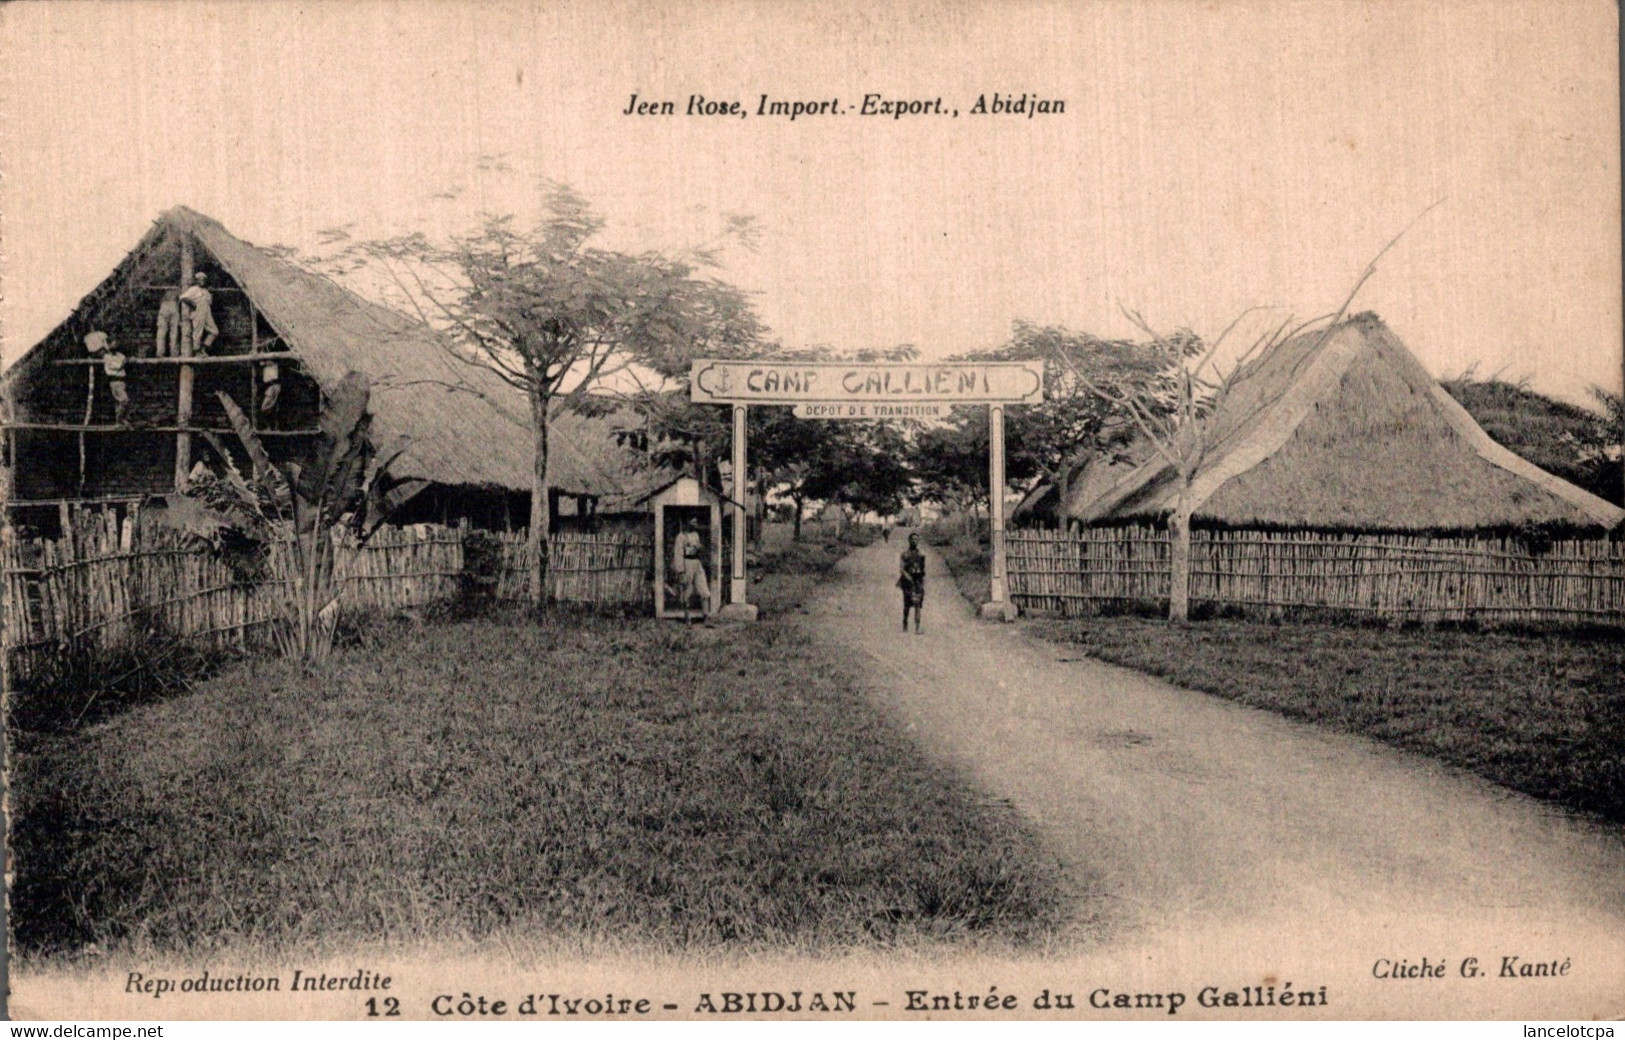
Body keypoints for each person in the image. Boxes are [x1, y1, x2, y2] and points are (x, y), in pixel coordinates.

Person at [672, 517, 709, 623]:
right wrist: (681, 571)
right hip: (686, 563)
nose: (695, 524)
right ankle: (687, 618)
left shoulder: (695, 535)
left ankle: (706, 617)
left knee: (703, 588)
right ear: (687, 523)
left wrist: (699, 548)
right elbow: (678, 555)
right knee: (687, 590)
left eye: (696, 522)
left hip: (697, 562)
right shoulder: (681, 537)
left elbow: (698, 549)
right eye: (693, 522)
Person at [179, 272, 218, 353]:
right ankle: (197, 352)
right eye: (200, 280)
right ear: (197, 281)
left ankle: (203, 348)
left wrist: (211, 293)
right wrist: (193, 305)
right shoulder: (194, 289)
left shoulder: (206, 291)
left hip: (207, 312)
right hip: (198, 312)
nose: (202, 281)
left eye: (204, 280)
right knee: (198, 333)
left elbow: (210, 303)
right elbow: (183, 298)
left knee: (214, 331)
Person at [898, 532, 926, 633]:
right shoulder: (904, 554)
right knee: (907, 605)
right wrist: (908, 577)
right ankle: (905, 621)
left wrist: (922, 583)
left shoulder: (921, 555)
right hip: (907, 582)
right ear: (909, 540)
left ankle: (917, 627)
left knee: (918, 604)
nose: (914, 541)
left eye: (916, 539)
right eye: (913, 539)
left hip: (918, 582)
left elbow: (923, 570)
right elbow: (901, 569)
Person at [153, 289, 180, 357]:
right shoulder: (177, 289)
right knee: (174, 332)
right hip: (173, 304)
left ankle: (160, 352)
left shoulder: (163, 289)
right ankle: (174, 353)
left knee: (161, 331)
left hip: (164, 305)